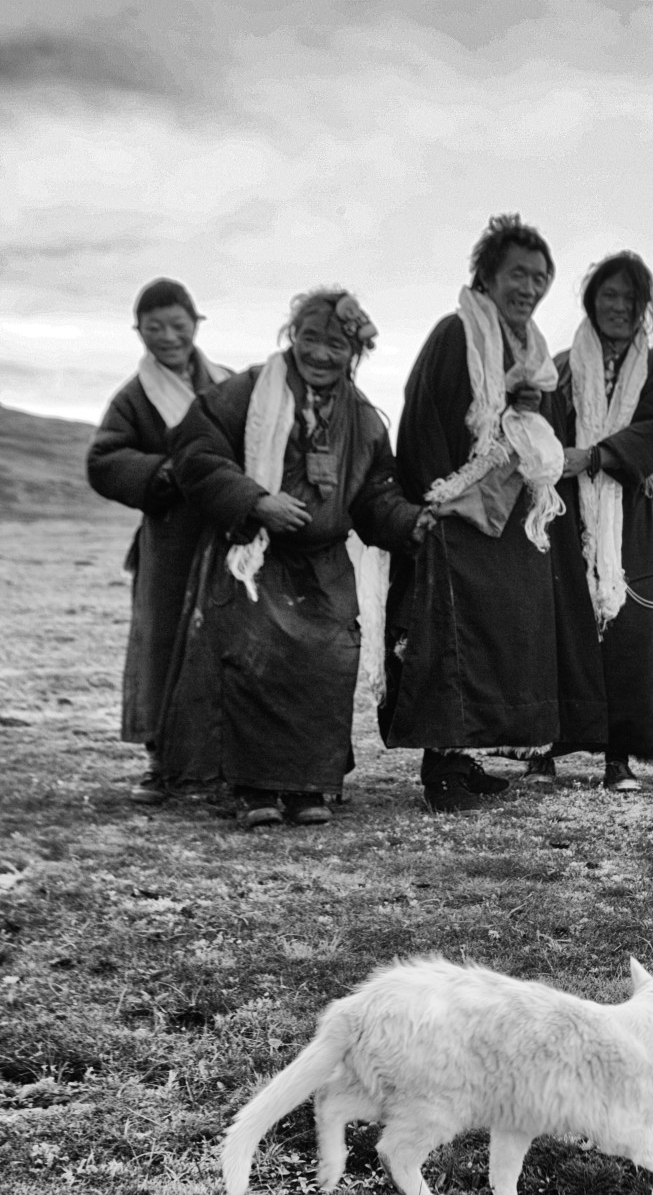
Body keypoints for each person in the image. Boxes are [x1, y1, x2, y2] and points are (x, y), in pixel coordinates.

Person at [157, 287, 424, 826]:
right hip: (257, 560)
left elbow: (375, 497)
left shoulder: (366, 419)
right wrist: (256, 501)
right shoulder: (245, 392)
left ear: (354, 354)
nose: (320, 353)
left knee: (326, 668)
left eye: (335, 344)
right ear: (290, 337)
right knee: (256, 666)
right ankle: (255, 790)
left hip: (324, 568)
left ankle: (309, 789)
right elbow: (195, 452)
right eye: (309, 338)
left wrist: (410, 524)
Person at [382, 214, 606, 812]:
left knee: (488, 643)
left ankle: (464, 757)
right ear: (487, 273)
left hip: (507, 514)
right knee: (451, 640)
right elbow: (427, 419)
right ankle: (440, 772)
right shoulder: (455, 334)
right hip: (458, 509)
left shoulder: (532, 353)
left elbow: (541, 439)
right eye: (518, 274)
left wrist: (525, 403)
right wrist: (432, 501)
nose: (529, 288)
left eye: (539, 277)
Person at [537, 251, 653, 792]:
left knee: (628, 630)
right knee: (562, 622)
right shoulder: (559, 367)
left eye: (629, 298)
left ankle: (618, 758)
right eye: (609, 296)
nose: (618, 306)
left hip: (627, 514)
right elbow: (540, 428)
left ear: (643, 306)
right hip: (566, 510)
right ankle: (544, 743)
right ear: (592, 301)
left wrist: (597, 457)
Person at [87, 278, 231, 804]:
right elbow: (104, 459)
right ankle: (160, 761)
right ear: (138, 331)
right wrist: (166, 473)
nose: (168, 337)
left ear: (197, 323)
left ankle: (221, 760)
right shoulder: (132, 397)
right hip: (169, 540)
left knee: (225, 642)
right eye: (154, 328)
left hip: (224, 535)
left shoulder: (226, 384)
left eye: (178, 325)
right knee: (162, 643)